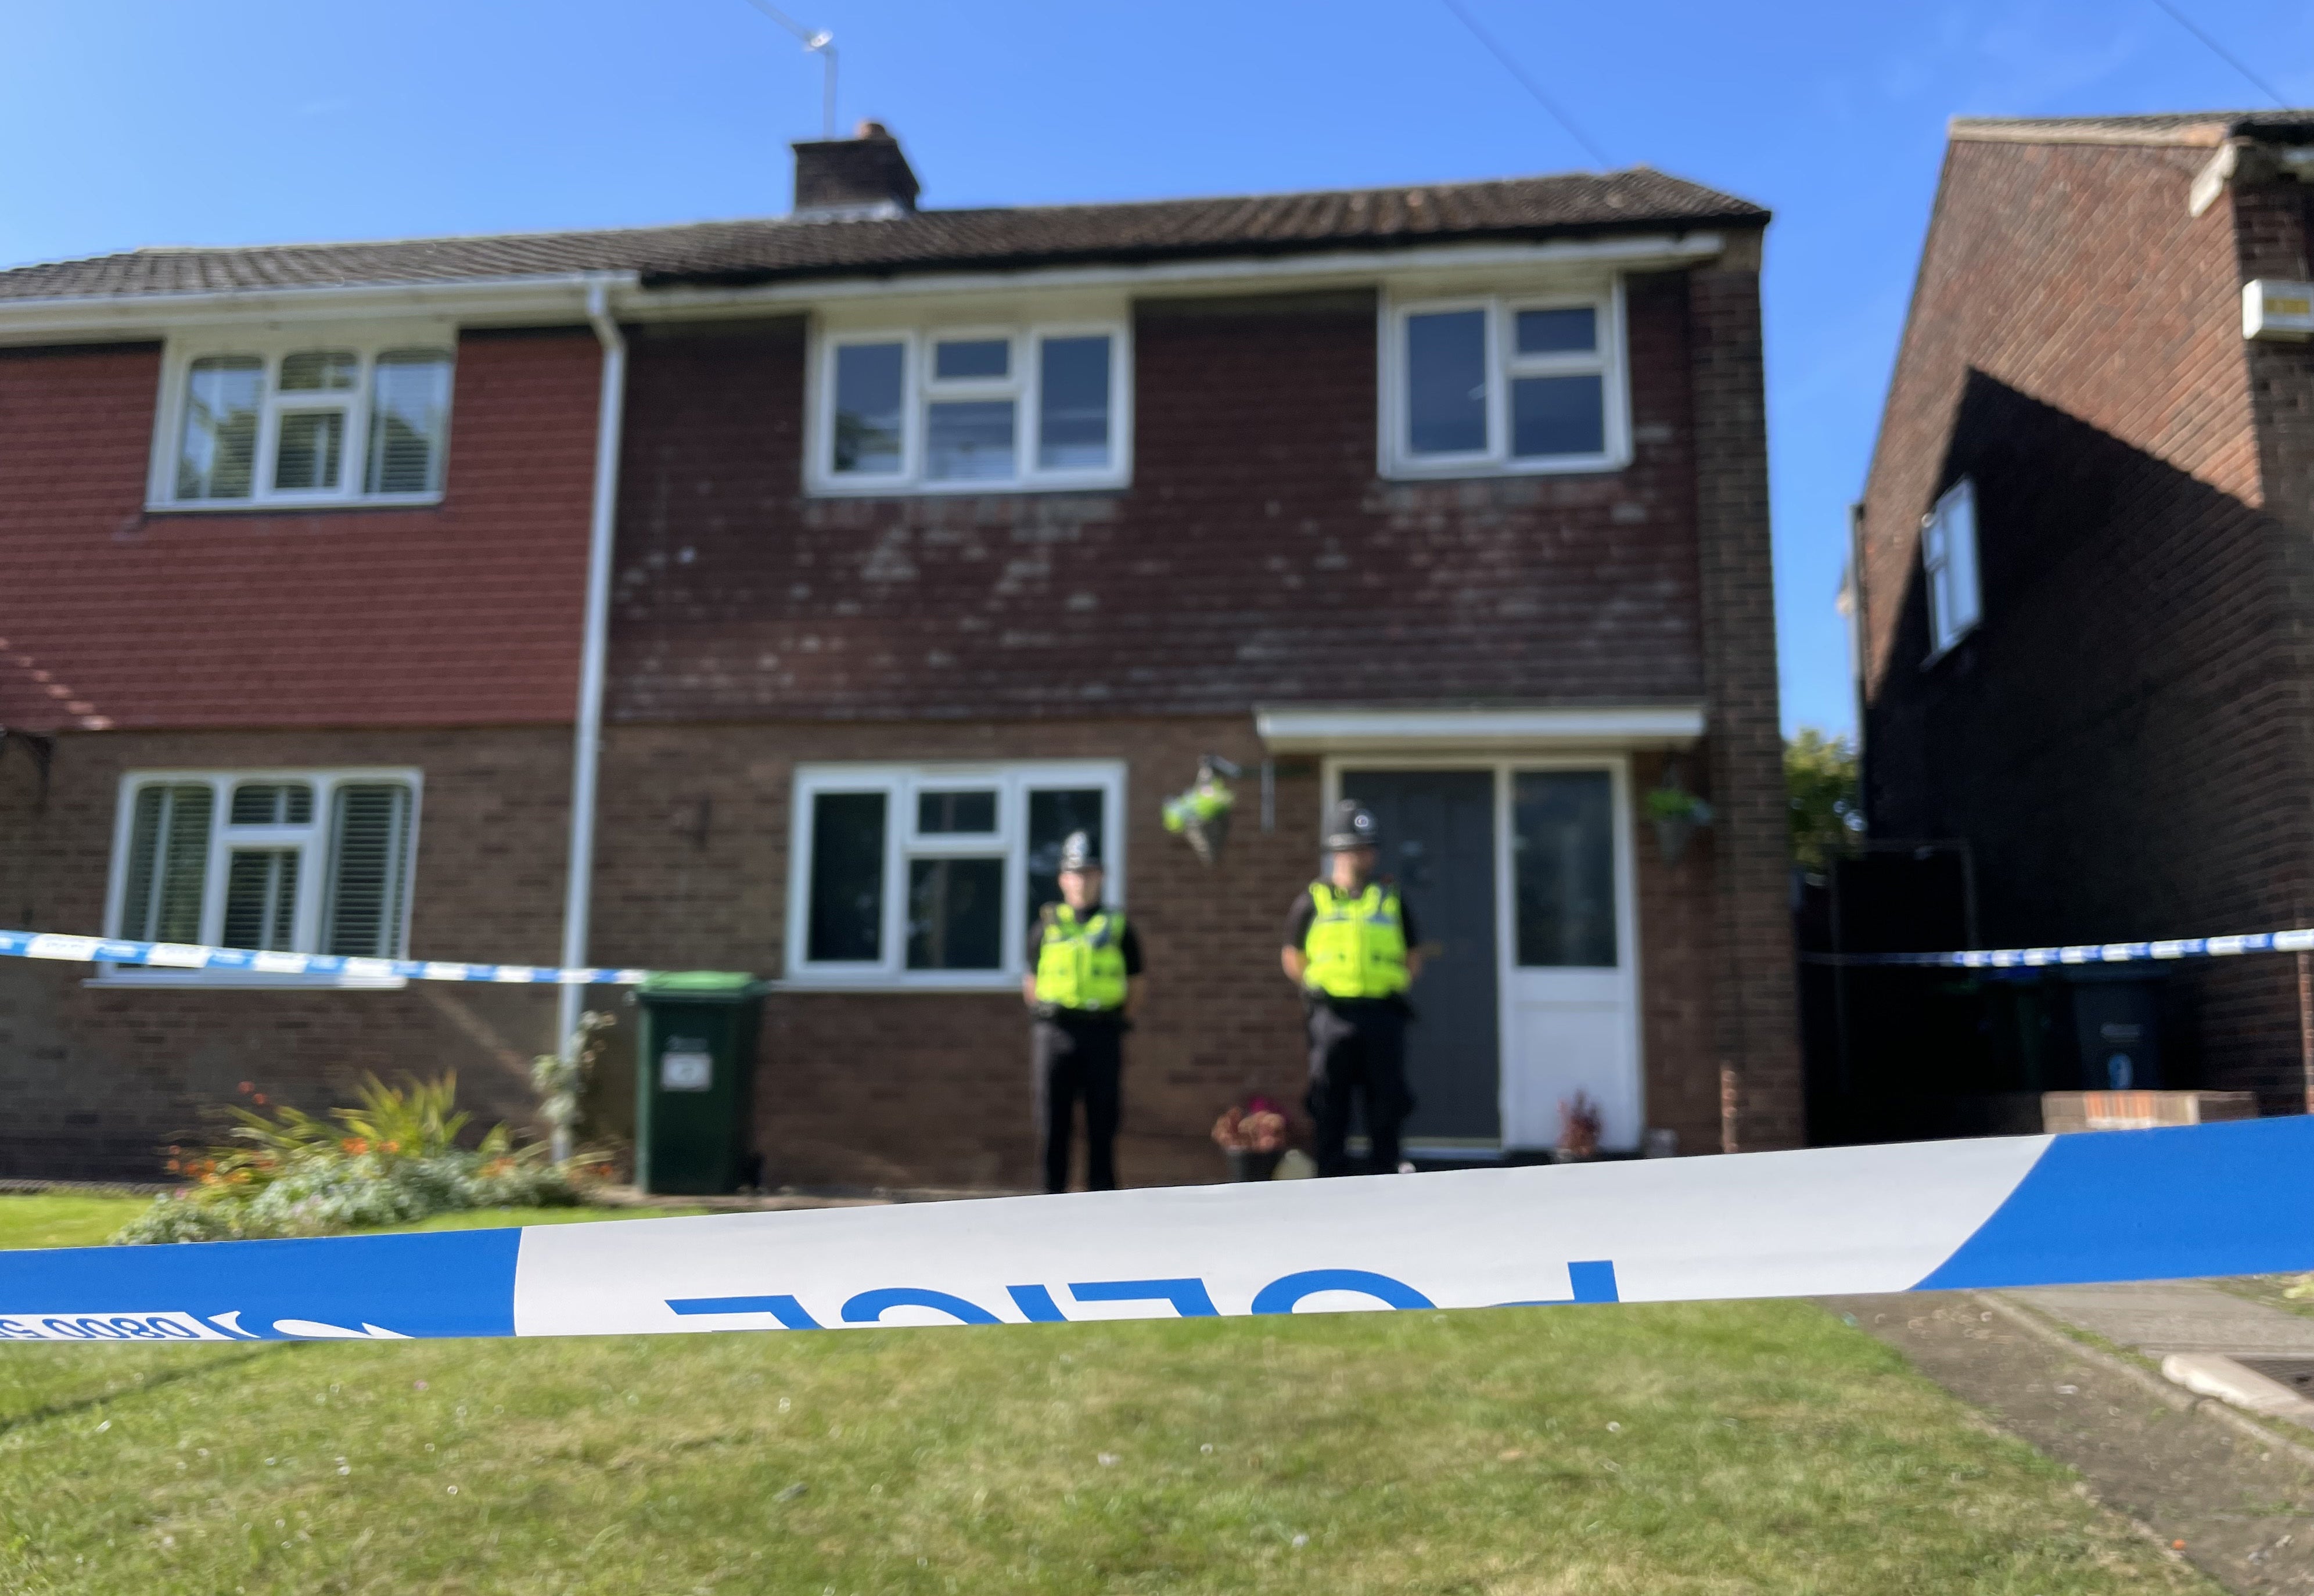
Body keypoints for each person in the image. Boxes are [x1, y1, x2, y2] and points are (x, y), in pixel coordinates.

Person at [1281, 800, 1425, 1177]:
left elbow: (1413, 956)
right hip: (1331, 1017)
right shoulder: (1313, 901)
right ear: (1338, 851)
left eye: (1370, 847)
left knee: (1387, 1106)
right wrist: (1319, 988)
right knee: (1329, 1107)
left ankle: (1387, 1177)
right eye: (1359, 848)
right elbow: (1293, 957)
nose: (1367, 856)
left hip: (1383, 1015)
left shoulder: (1391, 900)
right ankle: (1330, 1182)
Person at [1023, 831, 1145, 1193]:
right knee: (1052, 1126)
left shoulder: (1120, 928)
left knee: (1103, 1125)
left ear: (1102, 877)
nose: (1082, 881)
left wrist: (1109, 1018)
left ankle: (1102, 1206)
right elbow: (1030, 983)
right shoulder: (1046, 927)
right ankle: (1050, 1200)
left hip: (1102, 1033)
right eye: (1075, 873)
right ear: (1063, 879)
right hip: (1054, 1033)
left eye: (1089, 872)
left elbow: (1137, 986)